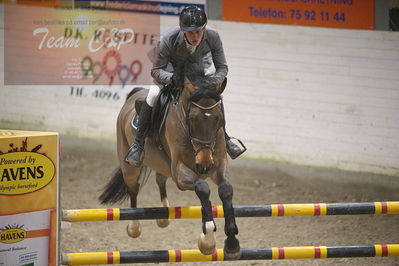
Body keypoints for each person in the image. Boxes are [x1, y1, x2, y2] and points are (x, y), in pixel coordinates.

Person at [125, 5, 246, 166]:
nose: (195, 36)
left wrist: (214, 82)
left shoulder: (213, 36)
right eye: (190, 32)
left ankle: (227, 139)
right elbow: (155, 71)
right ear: (183, 31)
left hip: (194, 72)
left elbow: (222, 67)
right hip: (167, 69)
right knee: (153, 95)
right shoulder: (169, 39)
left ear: (204, 28)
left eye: (198, 31)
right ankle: (137, 145)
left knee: (213, 98)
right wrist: (172, 79)